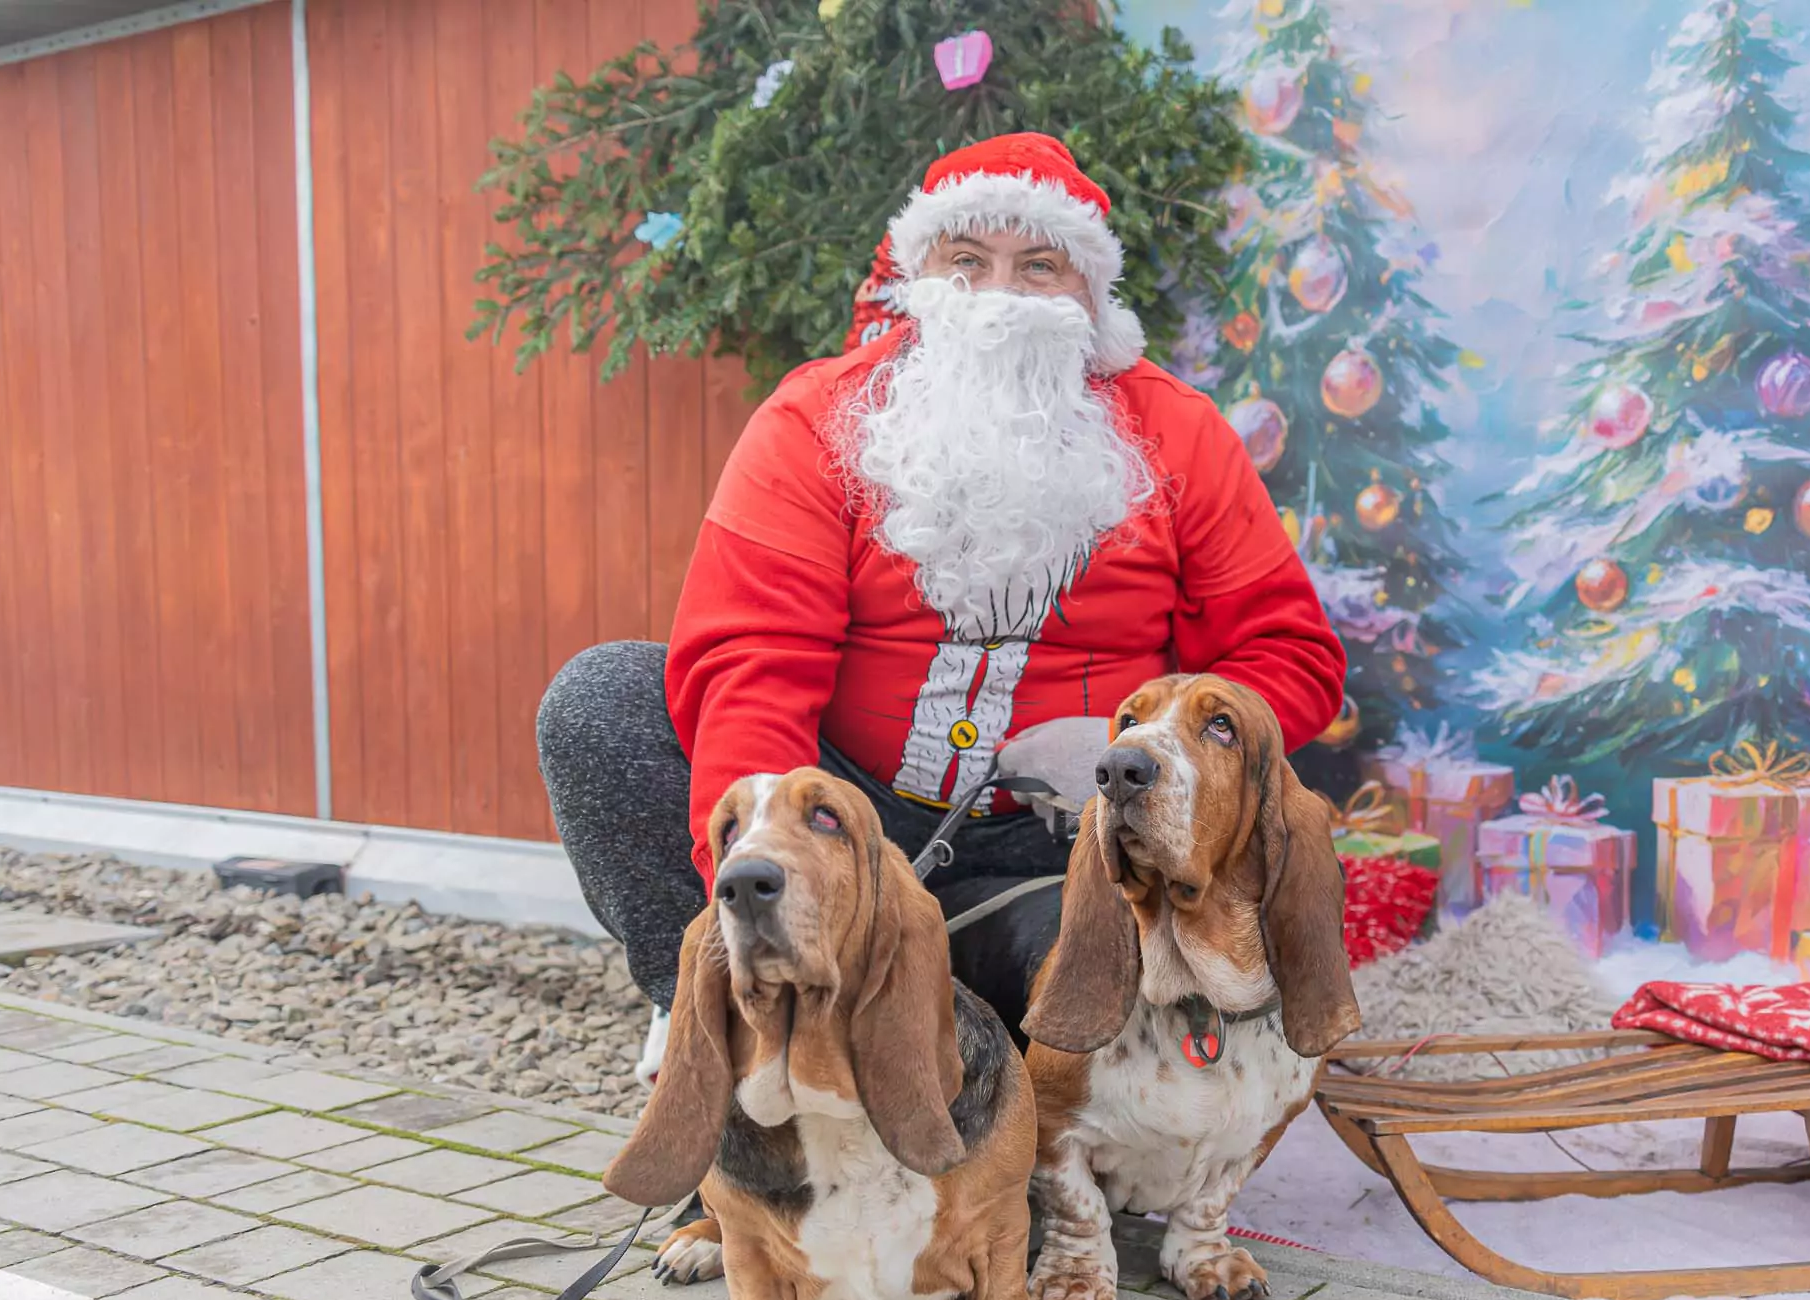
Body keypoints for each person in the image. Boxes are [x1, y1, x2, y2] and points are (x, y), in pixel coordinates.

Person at [537, 132, 1347, 1082]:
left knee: (1091, 985)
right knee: (601, 703)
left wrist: (1136, 749)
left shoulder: (1180, 435)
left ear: (1089, 294)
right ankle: (724, 1021)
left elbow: (1290, 656)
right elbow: (752, 666)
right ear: (918, 275)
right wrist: (781, 871)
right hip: (846, 814)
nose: (998, 293)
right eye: (967, 261)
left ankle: (974, 1067)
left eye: (1038, 266)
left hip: (1071, 845)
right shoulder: (815, 421)